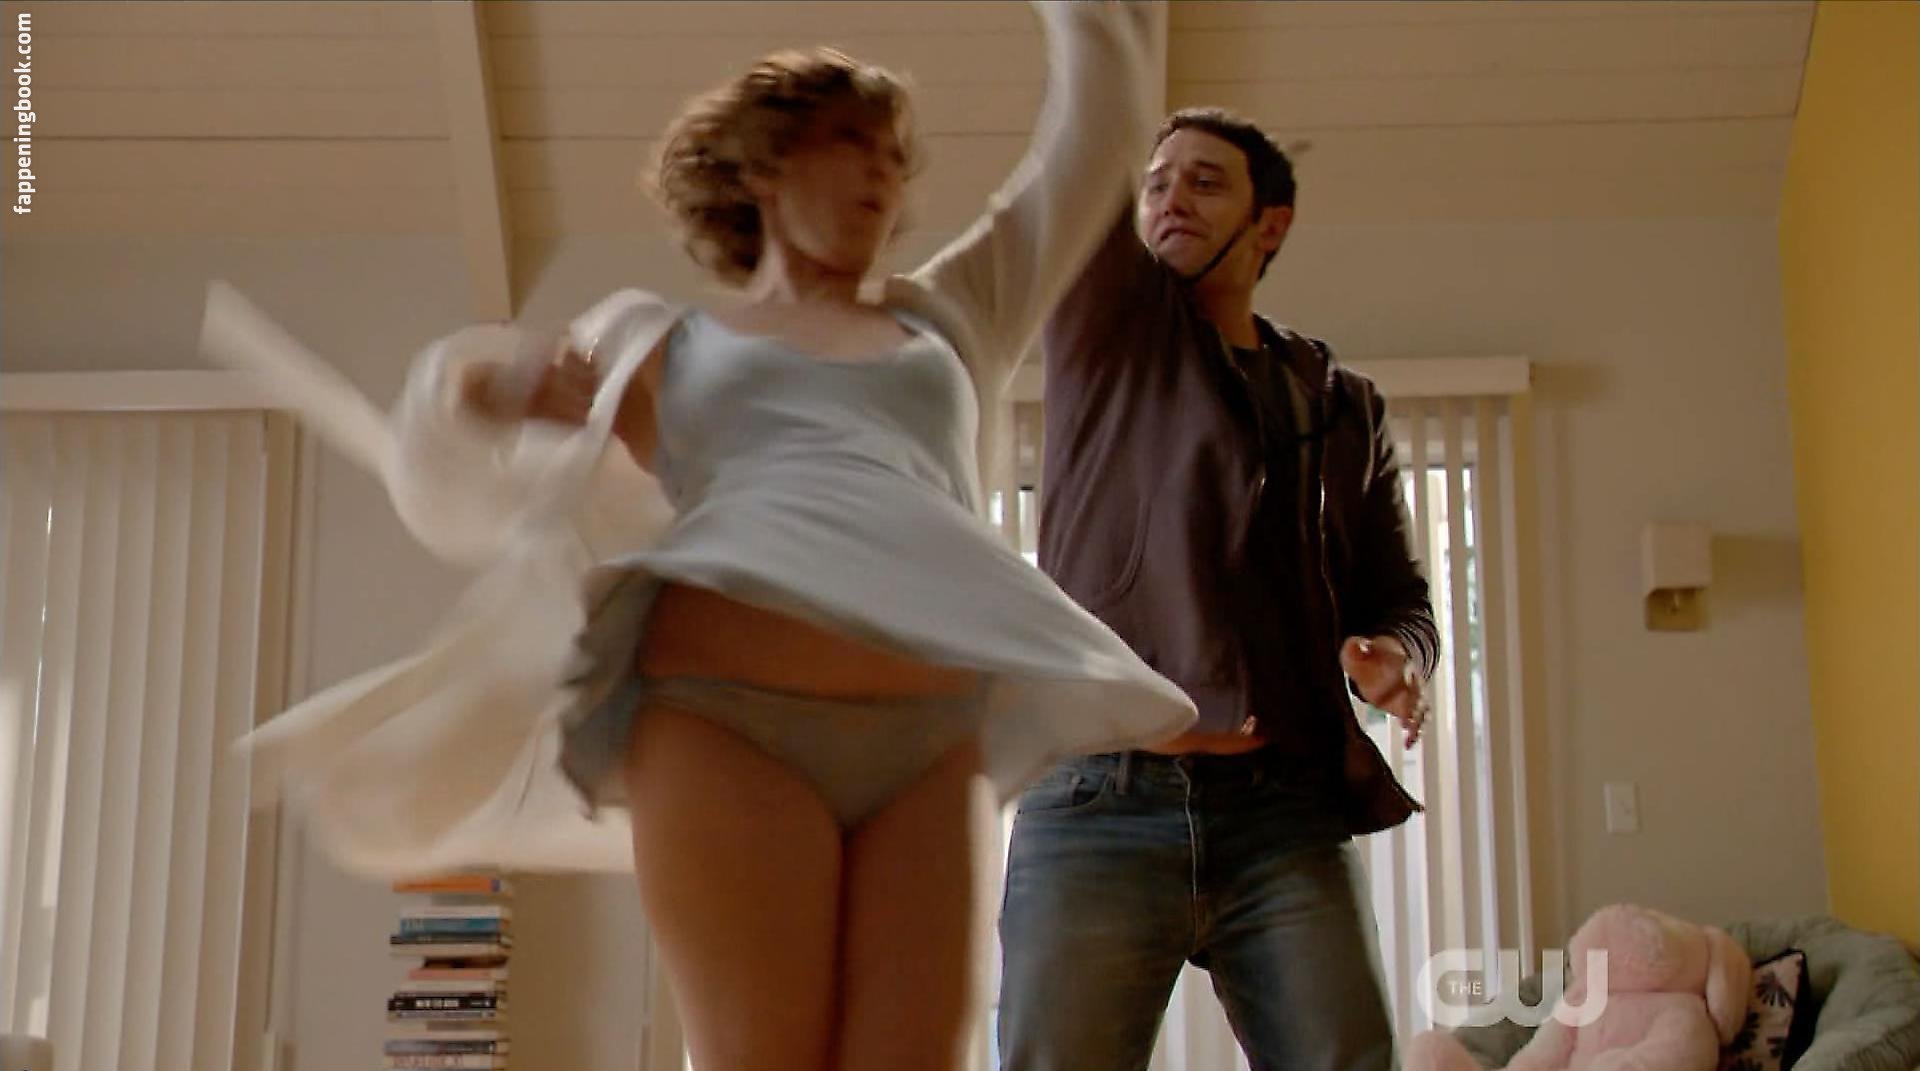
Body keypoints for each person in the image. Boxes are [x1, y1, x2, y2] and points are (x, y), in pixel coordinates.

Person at [206, 6, 1192, 1071]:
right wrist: (495, 390)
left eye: (892, 156)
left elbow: (1096, 134)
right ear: (764, 168)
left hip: (929, 737)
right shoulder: (662, 339)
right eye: (847, 141)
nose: (879, 172)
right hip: (726, 725)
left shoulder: (954, 315)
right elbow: (448, 473)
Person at [995, 107, 1440, 1071]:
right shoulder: (1106, 336)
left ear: (1269, 223)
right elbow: (1082, 165)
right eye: (1156, 183)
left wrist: (1398, 657)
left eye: (1204, 181)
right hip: (1099, 802)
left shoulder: (1342, 404)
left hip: (1283, 817)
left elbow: (1400, 594)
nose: (1170, 199)